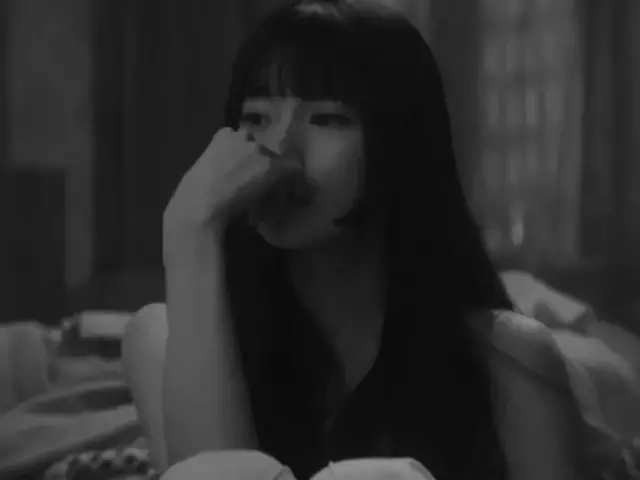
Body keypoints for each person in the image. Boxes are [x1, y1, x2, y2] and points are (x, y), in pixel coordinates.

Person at [122, 1, 586, 478]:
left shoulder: (507, 360)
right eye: (256, 118)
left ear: (401, 142)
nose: (278, 148)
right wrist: (190, 228)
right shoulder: (164, 340)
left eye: (327, 119)